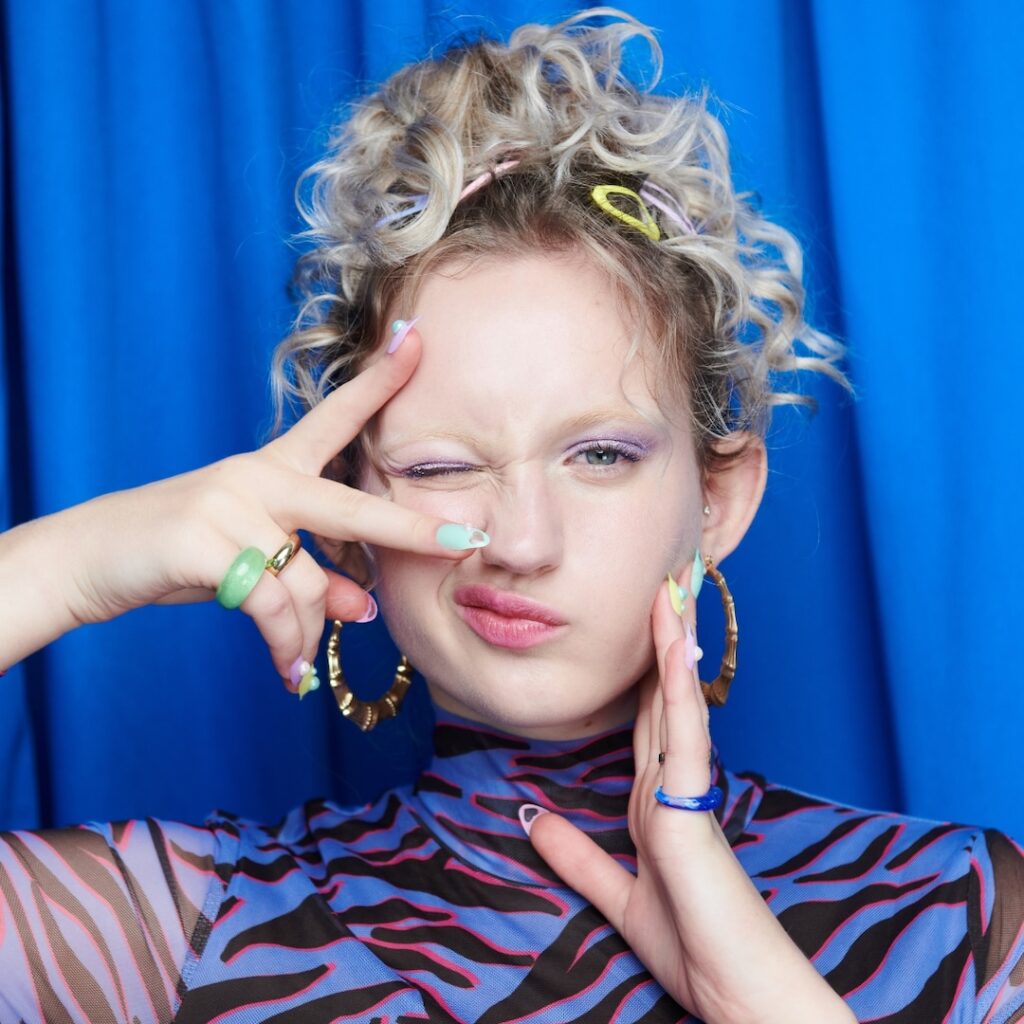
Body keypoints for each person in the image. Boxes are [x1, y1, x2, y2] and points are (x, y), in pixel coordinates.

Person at [1, 8, 1022, 1022]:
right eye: (442, 465)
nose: (522, 544)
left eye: (600, 455)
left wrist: (755, 995)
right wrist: (79, 565)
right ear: (346, 515)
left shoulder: (959, 920)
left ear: (718, 497)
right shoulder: (181, 929)